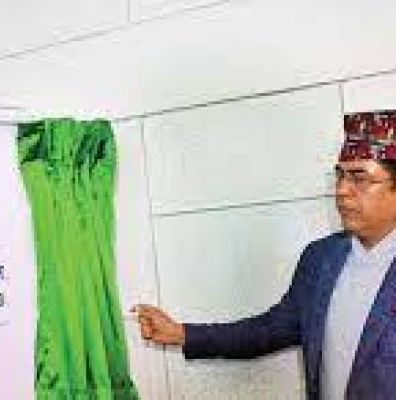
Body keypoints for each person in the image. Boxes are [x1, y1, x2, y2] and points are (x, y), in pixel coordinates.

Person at [133, 110, 396, 400]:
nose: (342, 191)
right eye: (340, 176)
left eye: (359, 178)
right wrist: (181, 333)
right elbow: (270, 330)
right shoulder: (321, 259)